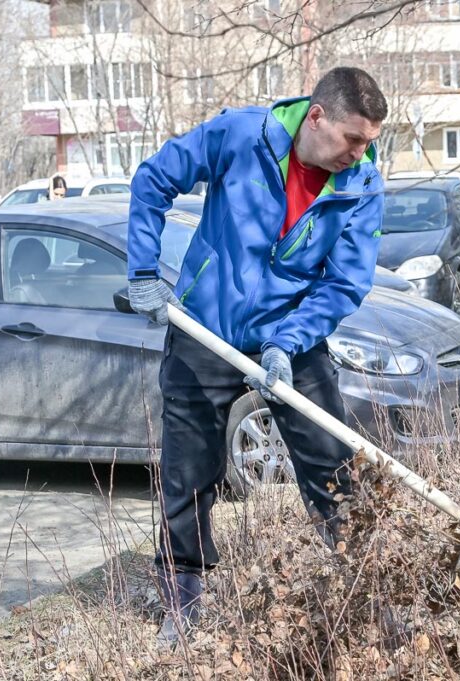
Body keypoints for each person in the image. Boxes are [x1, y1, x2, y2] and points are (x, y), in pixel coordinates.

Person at [126, 67, 388, 645]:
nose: (361, 153)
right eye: (353, 138)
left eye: (370, 141)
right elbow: (153, 180)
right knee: (188, 470)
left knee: (332, 463)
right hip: (205, 328)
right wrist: (144, 270)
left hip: (290, 339)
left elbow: (345, 283)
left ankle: (365, 583)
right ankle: (184, 592)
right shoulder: (242, 136)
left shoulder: (361, 185)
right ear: (316, 117)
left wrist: (286, 343)